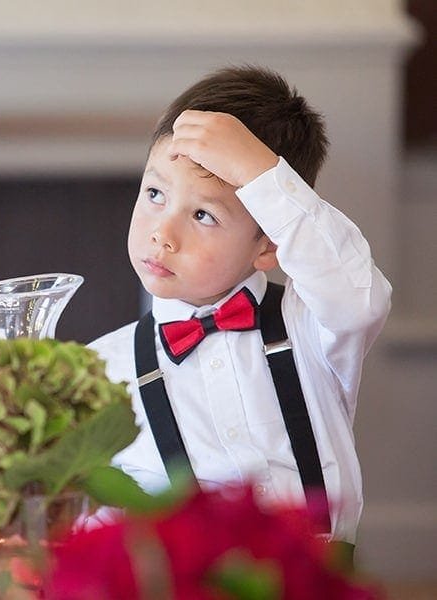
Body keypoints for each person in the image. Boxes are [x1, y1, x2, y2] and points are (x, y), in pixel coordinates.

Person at [89, 65, 391, 546]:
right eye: (155, 194)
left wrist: (261, 175)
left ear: (268, 246)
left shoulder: (310, 327)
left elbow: (359, 294)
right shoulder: (100, 367)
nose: (162, 234)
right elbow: (93, 522)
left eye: (203, 214)